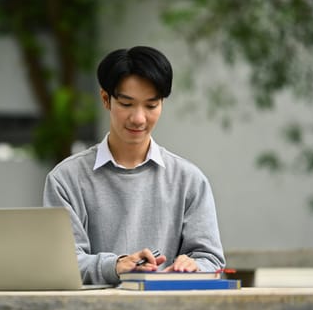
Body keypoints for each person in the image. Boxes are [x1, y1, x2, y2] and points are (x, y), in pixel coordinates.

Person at [43, 46, 225, 285]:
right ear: (106, 99)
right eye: (127, 104)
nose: (139, 118)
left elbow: (211, 259)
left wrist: (194, 266)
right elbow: (62, 263)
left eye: (151, 106)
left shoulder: (189, 180)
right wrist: (116, 266)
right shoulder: (66, 179)